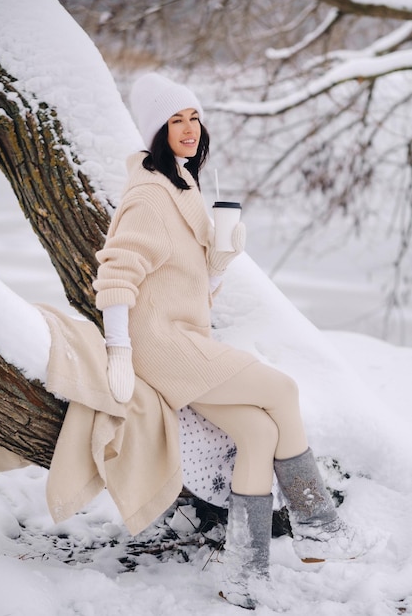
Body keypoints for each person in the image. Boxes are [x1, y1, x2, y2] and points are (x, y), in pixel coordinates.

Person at [93, 72, 369, 609]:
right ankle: (317, 524)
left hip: (185, 334)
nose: (190, 128)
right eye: (176, 120)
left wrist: (216, 264)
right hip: (161, 344)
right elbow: (116, 274)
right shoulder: (150, 192)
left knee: (259, 430)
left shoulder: (185, 183)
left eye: (194, 117)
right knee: (282, 390)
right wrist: (119, 349)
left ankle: (244, 573)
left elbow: (186, 285)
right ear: (156, 130)